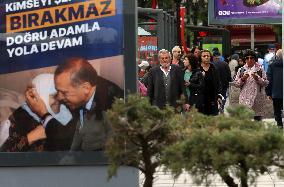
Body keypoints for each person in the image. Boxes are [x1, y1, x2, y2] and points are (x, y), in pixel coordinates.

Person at [26, 57, 124, 151]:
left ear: (86, 88)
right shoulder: (85, 89)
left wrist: (44, 114)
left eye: (64, 92)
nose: (59, 97)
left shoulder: (109, 108)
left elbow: (69, 143)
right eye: (57, 91)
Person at [1, 74, 75, 152]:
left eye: (62, 93)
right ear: (39, 97)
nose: (61, 98)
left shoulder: (66, 113)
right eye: (55, 95)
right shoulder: (18, 119)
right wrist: (31, 137)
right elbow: (4, 156)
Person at [234, 50, 268, 121]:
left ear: (255, 59)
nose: (249, 60)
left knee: (257, 120)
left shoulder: (260, 70)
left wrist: (257, 78)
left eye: (251, 58)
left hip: (257, 99)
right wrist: (242, 79)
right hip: (245, 99)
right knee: (244, 120)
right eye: (247, 58)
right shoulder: (241, 70)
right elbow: (236, 84)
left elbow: (265, 83)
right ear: (245, 59)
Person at [199, 49, 223, 115]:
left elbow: (218, 83)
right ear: (200, 58)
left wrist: (219, 96)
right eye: (204, 56)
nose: (206, 57)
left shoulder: (214, 68)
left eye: (208, 56)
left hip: (212, 98)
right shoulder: (197, 69)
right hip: (200, 98)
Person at [266, 49, 283, 128]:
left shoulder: (271, 65)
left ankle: (279, 124)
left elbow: (269, 80)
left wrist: (268, 93)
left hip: (276, 93)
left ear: (276, 56)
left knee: (277, 110)